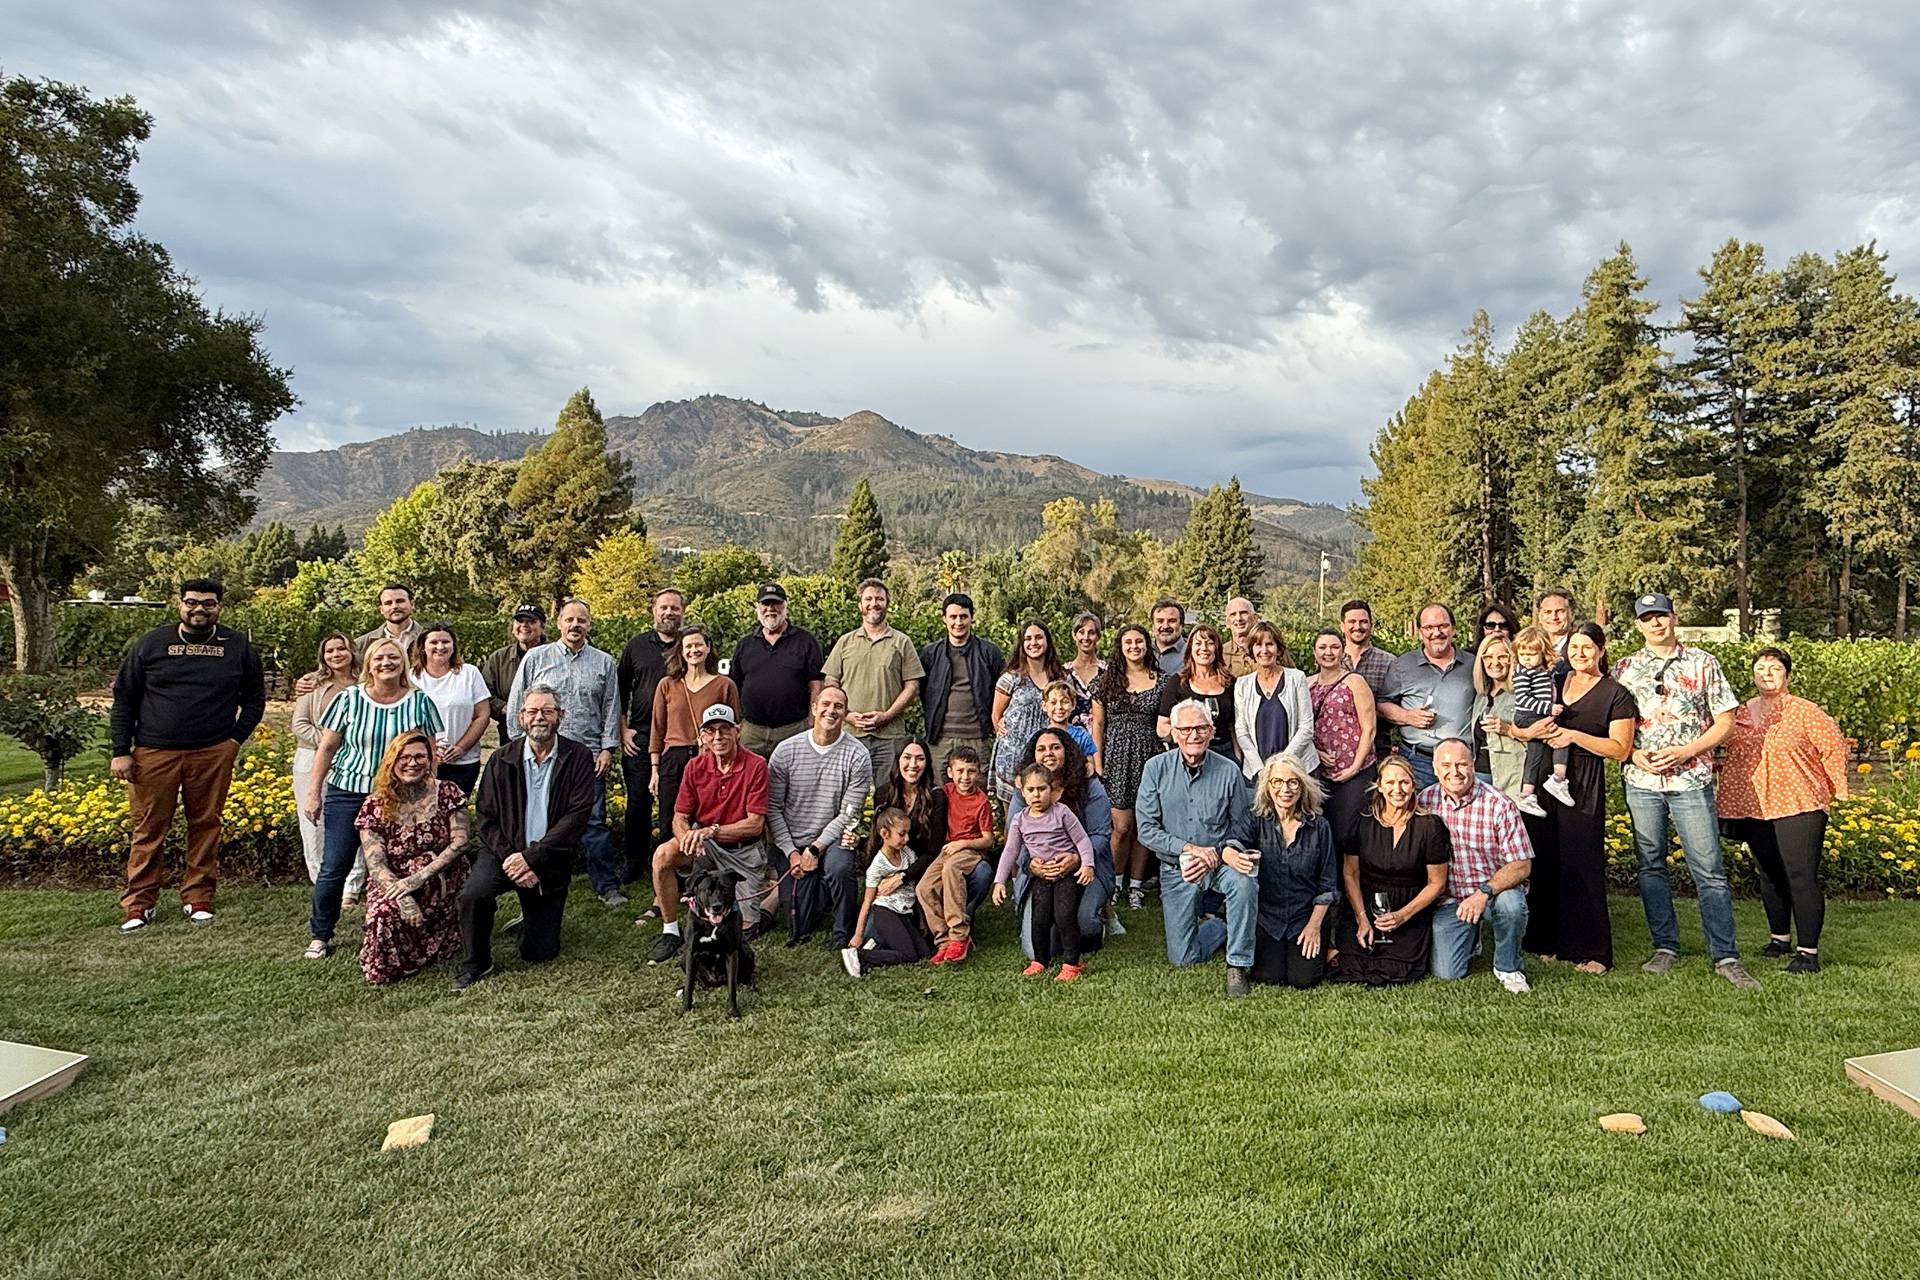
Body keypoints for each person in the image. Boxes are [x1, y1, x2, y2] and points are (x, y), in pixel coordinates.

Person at [1611, 593, 1754, 987]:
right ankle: (1665, 947)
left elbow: (1726, 720)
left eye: (1662, 616)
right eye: (1648, 619)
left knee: (1708, 869)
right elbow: (1613, 726)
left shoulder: (1703, 663)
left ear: (1675, 618)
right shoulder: (1625, 669)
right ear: (1639, 625)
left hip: (1691, 780)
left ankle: (1726, 956)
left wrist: (1689, 750)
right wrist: (1632, 756)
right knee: (1651, 866)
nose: (1656, 624)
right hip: (1642, 782)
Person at [109, 578, 266, 931]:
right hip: (154, 751)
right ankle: (139, 904)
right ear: (179, 604)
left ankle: (198, 897)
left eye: (208, 603)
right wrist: (121, 750)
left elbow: (255, 699)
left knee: (206, 824)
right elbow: (125, 698)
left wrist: (234, 741)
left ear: (219, 607)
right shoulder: (152, 643)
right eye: (192, 602)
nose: (199, 609)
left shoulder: (236, 646)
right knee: (149, 828)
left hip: (211, 751)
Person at [1492, 622, 1634, 975]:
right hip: (1542, 778)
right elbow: (1532, 725)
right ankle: (1548, 940)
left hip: (1581, 781)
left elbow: (1619, 749)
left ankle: (1593, 950)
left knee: (1581, 862)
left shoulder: (1615, 694)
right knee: (1545, 859)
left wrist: (1573, 735)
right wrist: (1522, 730)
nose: (1580, 654)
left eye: (1587, 648)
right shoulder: (1556, 679)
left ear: (1601, 650)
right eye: (1574, 648)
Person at [302, 637, 443, 959]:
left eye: (394, 657)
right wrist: (314, 793)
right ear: (368, 663)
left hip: (398, 796)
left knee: (397, 864)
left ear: (404, 663)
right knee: (335, 865)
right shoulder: (349, 699)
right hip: (348, 792)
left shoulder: (419, 702)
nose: (386, 663)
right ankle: (320, 933)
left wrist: (432, 795)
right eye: (379, 658)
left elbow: (431, 753)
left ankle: (399, 925)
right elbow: (326, 748)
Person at [452, 685, 598, 991]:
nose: (539, 717)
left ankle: (529, 920)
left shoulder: (578, 757)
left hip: (548, 858)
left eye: (547, 711)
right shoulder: (501, 760)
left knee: (539, 953)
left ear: (561, 716)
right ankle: (476, 963)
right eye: (532, 711)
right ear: (521, 717)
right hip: (502, 854)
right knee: (474, 894)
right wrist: (511, 858)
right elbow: (486, 818)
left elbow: (576, 818)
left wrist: (532, 858)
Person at [1716, 647, 1850, 974]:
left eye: (1775, 668)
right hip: (1755, 805)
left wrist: (1834, 789)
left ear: (1787, 675)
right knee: (1769, 873)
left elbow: (1833, 748)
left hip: (1800, 803)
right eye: (1760, 668)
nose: (1767, 674)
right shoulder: (1738, 714)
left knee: (1800, 874)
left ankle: (1808, 953)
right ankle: (1779, 939)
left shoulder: (1805, 711)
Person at [1135, 699, 1259, 997]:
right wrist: (1187, 849)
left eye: (1201, 728)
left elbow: (1242, 826)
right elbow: (1146, 829)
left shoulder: (1229, 770)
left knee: (1244, 882)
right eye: (1186, 729)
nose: (1194, 735)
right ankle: (1222, 928)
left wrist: (1217, 853)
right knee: (1183, 958)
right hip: (1177, 866)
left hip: (1219, 862)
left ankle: (1237, 963)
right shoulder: (1156, 769)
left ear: (1212, 731)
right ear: (1174, 734)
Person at [506, 598, 624, 906]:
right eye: (569, 620)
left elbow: (611, 707)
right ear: (559, 624)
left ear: (590, 625)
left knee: (594, 821)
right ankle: (537, 877)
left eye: (581, 621)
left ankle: (606, 885)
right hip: (543, 753)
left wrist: (607, 748)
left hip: (586, 756)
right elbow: (519, 703)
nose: (575, 625)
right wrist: (521, 747)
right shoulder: (535, 658)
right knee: (540, 819)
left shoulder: (604, 663)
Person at [645, 704, 771, 966]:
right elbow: (679, 817)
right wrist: (686, 838)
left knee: (746, 928)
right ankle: (670, 932)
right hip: (705, 844)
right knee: (662, 855)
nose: (718, 737)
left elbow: (755, 824)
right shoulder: (695, 766)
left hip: (742, 849)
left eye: (724, 730)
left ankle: (775, 897)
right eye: (710, 731)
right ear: (702, 736)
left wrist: (711, 831)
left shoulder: (756, 765)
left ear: (737, 732)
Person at [354, 732, 470, 984]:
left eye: (420, 756)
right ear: (391, 762)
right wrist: (404, 896)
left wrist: (419, 878)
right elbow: (375, 863)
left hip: (442, 876)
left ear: (430, 760)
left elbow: (460, 842)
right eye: (403, 757)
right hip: (394, 879)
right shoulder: (374, 805)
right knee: (383, 916)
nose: (412, 763)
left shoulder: (448, 792)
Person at [1419, 739, 1533, 993]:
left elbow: (1522, 864)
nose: (1454, 772)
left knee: (1512, 907)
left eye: (1461, 764)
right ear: (1435, 769)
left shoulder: (1499, 804)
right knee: (1447, 973)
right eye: (1446, 765)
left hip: (1493, 893)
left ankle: (1508, 967)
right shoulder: (1425, 803)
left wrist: (1483, 893)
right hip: (1451, 899)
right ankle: (1472, 936)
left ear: (1472, 765)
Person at [1328, 754, 1450, 987]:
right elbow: (1350, 873)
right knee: (1351, 967)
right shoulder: (1362, 821)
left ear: (1414, 786)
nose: (1398, 789)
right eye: (1391, 783)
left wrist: (1402, 915)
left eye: (1404, 782)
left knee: (1395, 970)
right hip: (1364, 906)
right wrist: (1362, 918)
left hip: (1409, 909)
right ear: (1380, 787)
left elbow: (1437, 883)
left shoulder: (1430, 826)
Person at [766, 685, 874, 948]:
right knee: (801, 923)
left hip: (831, 840)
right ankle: (816, 895)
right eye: (825, 704)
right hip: (791, 839)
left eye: (838, 706)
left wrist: (815, 849)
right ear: (814, 709)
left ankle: (842, 930)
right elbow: (773, 809)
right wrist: (792, 852)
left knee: (839, 868)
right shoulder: (785, 751)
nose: (831, 711)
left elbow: (849, 813)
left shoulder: (857, 754)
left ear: (846, 713)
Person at [1012, 729, 1116, 962]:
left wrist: (1078, 858)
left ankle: (1097, 924)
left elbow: (1101, 833)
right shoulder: (1026, 788)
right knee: (1037, 950)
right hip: (1041, 873)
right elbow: (1014, 839)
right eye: (1041, 749)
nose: (1048, 753)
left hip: (1084, 867)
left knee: (1082, 923)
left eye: (1055, 747)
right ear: (1033, 755)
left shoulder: (1088, 784)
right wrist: (1031, 865)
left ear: (1067, 751)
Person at [992, 762, 1096, 981]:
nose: (1036, 795)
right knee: (1040, 919)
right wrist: (1000, 881)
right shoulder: (1020, 819)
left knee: (1064, 915)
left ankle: (1072, 963)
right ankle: (1040, 960)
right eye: (1031, 790)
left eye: (1042, 789)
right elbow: (1011, 850)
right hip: (1041, 875)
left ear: (1053, 791)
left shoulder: (1062, 813)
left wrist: (1086, 864)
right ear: (1022, 792)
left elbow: (1082, 839)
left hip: (1067, 873)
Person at [1247, 754, 1338, 990]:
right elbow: (1231, 843)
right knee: (1268, 977)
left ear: (1302, 787)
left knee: (1303, 979)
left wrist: (1314, 925)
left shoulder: (1320, 827)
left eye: (1292, 782)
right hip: (1268, 918)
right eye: (1277, 782)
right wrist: (1231, 854)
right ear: (1267, 786)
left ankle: (1327, 946)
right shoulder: (1256, 820)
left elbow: (1328, 883)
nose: (1284, 789)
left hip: (1305, 917)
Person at [1093, 623, 1167, 910]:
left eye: (1139, 641)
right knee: (1121, 827)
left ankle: (1136, 886)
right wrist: (1098, 762)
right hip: (1116, 758)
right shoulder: (1107, 681)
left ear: (1147, 645)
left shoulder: (1161, 680)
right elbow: (1098, 725)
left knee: (1144, 827)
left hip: (1150, 757)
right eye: (1128, 642)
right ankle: (1114, 882)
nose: (1134, 646)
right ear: (1120, 647)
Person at [823, 578, 925, 782]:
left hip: (889, 737)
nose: (874, 603)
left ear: (887, 603)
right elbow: (830, 682)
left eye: (879, 599)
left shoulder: (901, 642)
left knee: (887, 797)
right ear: (860, 604)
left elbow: (912, 686)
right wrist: (847, 715)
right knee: (844, 793)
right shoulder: (845, 641)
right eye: (868, 599)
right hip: (848, 734)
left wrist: (886, 715)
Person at [648, 624, 740, 847]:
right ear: (681, 650)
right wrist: (655, 769)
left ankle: (703, 872)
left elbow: (736, 728)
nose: (694, 650)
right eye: (688, 646)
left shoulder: (724, 685)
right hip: (674, 759)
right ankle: (669, 873)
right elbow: (657, 729)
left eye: (699, 644)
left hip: (709, 758)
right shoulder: (667, 685)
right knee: (670, 819)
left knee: (706, 816)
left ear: (708, 648)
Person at [291, 633, 364, 907]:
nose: (336, 654)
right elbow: (299, 724)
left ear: (351, 651)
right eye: (329, 650)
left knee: (352, 820)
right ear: (323, 656)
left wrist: (347, 747)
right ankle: (322, 881)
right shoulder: (312, 684)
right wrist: (328, 744)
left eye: (341, 648)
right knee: (313, 822)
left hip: (354, 760)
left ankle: (351, 886)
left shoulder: (365, 682)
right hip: (312, 759)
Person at [617, 588, 684, 879]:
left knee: (675, 804)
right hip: (641, 736)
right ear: (654, 612)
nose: (669, 613)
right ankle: (635, 861)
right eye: (664, 608)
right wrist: (622, 730)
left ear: (683, 612)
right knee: (637, 804)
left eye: (675, 608)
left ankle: (671, 860)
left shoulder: (690, 645)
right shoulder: (636, 646)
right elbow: (619, 691)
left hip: (678, 739)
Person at [1379, 603, 1477, 791]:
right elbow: (1382, 704)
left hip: (1462, 763)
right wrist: (1407, 716)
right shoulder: (1402, 665)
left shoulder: (1473, 665)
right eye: (1429, 628)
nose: (1436, 632)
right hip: (1419, 760)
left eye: (1443, 626)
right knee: (1421, 817)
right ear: (1419, 632)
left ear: (1453, 629)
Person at [916, 746, 999, 964]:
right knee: (924, 888)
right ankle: (943, 940)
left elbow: (988, 839)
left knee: (952, 869)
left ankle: (959, 935)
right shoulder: (946, 792)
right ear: (950, 772)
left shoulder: (981, 801)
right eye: (960, 771)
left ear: (978, 773)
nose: (965, 777)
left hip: (970, 850)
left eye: (971, 771)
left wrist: (962, 843)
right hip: (948, 849)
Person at [732, 582, 825, 756]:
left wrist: (812, 721)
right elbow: (734, 685)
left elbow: (816, 683)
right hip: (751, 732)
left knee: (794, 782)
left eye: (776, 603)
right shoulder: (745, 645)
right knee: (751, 782)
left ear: (785, 606)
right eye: (765, 604)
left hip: (793, 730)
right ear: (757, 607)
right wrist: (738, 723)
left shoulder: (806, 641)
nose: (770, 609)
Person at [1305, 627, 1376, 849]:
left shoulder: (1355, 682)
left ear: (1343, 651)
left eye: (1335, 647)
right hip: (1318, 770)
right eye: (1323, 647)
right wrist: (1315, 753)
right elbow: (1300, 727)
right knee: (1322, 831)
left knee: (1348, 832)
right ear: (1315, 652)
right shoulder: (1307, 684)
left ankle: (1349, 882)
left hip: (1354, 771)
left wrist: (1355, 767)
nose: (1328, 652)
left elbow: (1369, 727)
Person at [919, 591, 1004, 774]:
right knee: (939, 794)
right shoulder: (930, 654)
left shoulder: (989, 653)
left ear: (972, 618)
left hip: (977, 737)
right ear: (944, 619)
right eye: (953, 617)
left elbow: (1003, 690)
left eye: (964, 616)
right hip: (940, 739)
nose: (958, 622)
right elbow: (922, 690)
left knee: (975, 793)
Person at [841, 808, 932, 977]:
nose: (907, 839)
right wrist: (857, 935)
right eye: (901, 834)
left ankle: (874, 950)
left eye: (907, 833)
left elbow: (914, 887)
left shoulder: (907, 854)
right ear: (884, 834)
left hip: (904, 912)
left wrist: (921, 918)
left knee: (924, 954)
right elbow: (867, 902)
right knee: (909, 956)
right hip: (885, 911)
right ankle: (859, 955)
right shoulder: (878, 866)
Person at [408, 621, 491, 796]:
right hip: (421, 761)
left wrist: (461, 748)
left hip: (463, 763)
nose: (440, 647)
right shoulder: (411, 678)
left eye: (445, 642)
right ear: (423, 646)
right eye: (434, 642)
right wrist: (429, 748)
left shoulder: (469, 673)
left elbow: (482, 716)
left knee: (456, 815)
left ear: (453, 646)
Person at [1232, 621, 1318, 780]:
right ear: (1251, 649)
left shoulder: (1296, 678)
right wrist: (1260, 769)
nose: (1264, 650)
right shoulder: (1242, 685)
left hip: (1298, 769)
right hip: (1258, 773)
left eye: (1269, 644)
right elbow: (1241, 731)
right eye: (1258, 645)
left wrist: (1282, 765)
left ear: (1279, 649)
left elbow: (1306, 727)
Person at [991, 619, 1064, 801]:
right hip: (1013, 755)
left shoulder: (1061, 677)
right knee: (1014, 818)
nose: (1034, 643)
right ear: (1022, 645)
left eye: (1039, 637)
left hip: (1046, 754)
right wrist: (1001, 730)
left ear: (1047, 641)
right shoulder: (1011, 678)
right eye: (1028, 639)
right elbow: (996, 714)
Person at [1510, 625, 1574, 815]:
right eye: (1523, 654)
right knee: (1561, 738)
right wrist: (1548, 709)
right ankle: (1558, 779)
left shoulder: (1543, 671)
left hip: (1535, 715)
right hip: (1528, 716)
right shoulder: (1523, 674)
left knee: (1534, 755)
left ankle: (1527, 794)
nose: (1526, 659)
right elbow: (1522, 699)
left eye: (1531, 654)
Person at [1156, 623, 1236, 760]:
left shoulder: (1230, 683)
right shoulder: (1177, 682)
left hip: (1224, 752)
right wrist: (1188, 737)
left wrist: (1237, 754)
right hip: (1188, 754)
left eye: (1209, 643)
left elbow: (1233, 725)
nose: (1203, 648)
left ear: (1216, 649)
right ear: (1190, 649)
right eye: (1198, 643)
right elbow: (1162, 726)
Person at [1470, 635, 1527, 801]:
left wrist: (1508, 729)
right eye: (1488, 657)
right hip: (1479, 776)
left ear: (1512, 659)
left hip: (1510, 780)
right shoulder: (1481, 696)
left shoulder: (1522, 693)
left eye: (1502, 657)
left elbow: (1538, 737)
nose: (1495, 662)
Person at [481, 604, 546, 747]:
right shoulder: (498, 658)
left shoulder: (554, 657)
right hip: (509, 737)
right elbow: (483, 694)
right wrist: (503, 707)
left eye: (531, 621)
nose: (524, 625)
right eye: (520, 621)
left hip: (548, 735)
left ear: (542, 627)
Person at [1337, 599, 1395, 697]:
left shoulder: (1388, 662)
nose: (1357, 627)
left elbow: (1393, 701)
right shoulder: (1332, 660)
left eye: (1363, 622)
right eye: (1352, 621)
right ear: (1342, 626)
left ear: (1371, 626)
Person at [354, 582, 424, 660]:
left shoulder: (429, 638)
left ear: (412, 604)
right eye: (388, 603)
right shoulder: (362, 644)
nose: (394, 606)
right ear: (381, 609)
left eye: (400, 601)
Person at [1063, 612, 1107, 734]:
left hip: (1104, 738)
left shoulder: (1108, 671)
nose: (1086, 637)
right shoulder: (1064, 672)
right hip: (1072, 738)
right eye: (1081, 632)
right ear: (1074, 635)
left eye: (1091, 633)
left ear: (1098, 636)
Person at [1040, 680, 1098, 767]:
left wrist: (1089, 767)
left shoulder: (1081, 735)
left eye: (1065, 702)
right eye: (1053, 702)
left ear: (1073, 705)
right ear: (1044, 706)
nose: (1059, 707)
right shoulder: (1038, 737)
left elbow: (1089, 763)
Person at [1532, 588, 1577, 659]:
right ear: (1539, 617)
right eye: (1548, 612)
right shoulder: (1531, 646)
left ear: (1572, 615)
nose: (1554, 617)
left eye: (1560, 611)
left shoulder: (1580, 647)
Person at [1222, 597, 1259, 678]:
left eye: (1243, 613)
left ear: (1254, 618)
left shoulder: (1269, 649)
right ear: (1227, 622)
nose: (1238, 618)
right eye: (1233, 615)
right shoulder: (1220, 654)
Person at [1149, 598, 1188, 675]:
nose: (1165, 626)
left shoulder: (1191, 654)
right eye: (1160, 621)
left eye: (1172, 621)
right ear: (1153, 625)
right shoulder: (1143, 651)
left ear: (1182, 624)